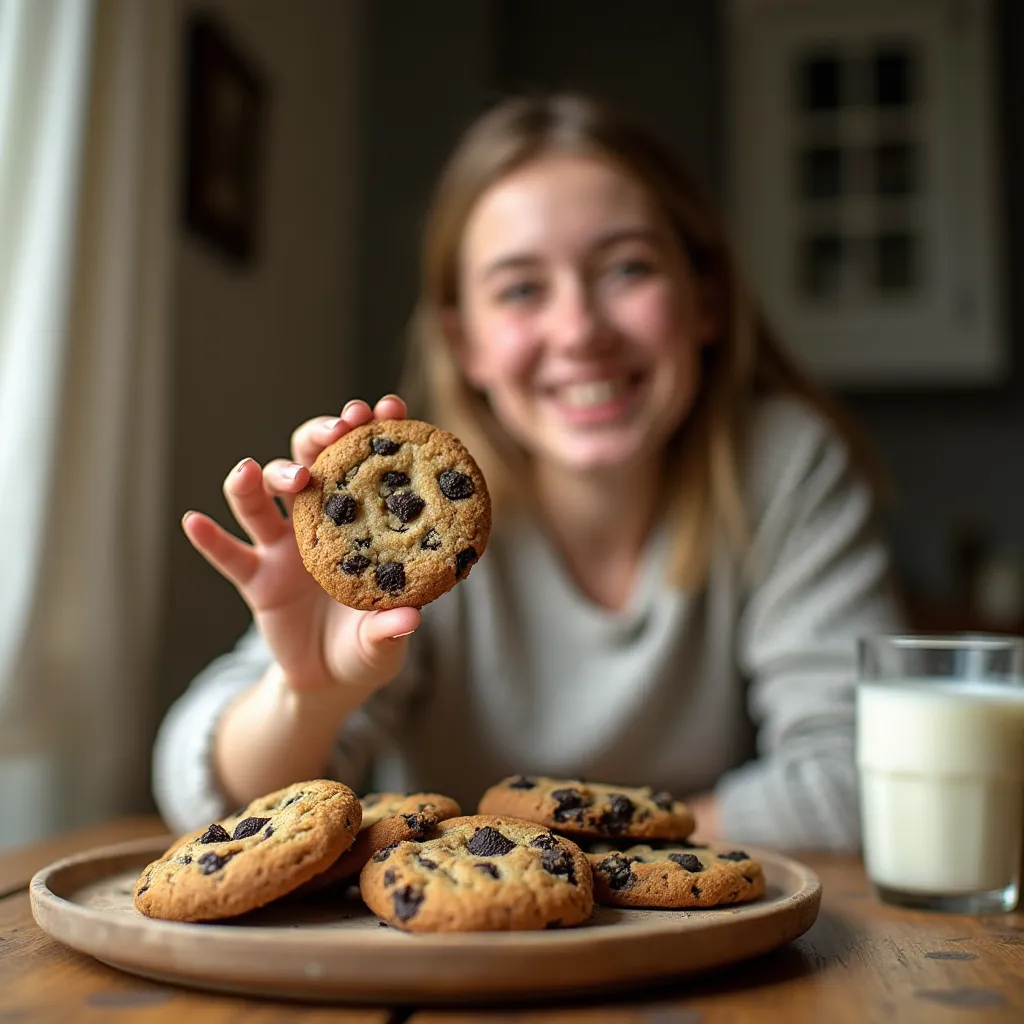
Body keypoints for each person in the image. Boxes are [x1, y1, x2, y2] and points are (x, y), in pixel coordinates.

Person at [154, 93, 903, 850]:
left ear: (705, 298)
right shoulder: (413, 533)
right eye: (520, 289)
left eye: (627, 268)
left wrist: (547, 850)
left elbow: (870, 781)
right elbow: (210, 805)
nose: (580, 331)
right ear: (465, 342)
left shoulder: (781, 469)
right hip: (454, 963)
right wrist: (307, 694)